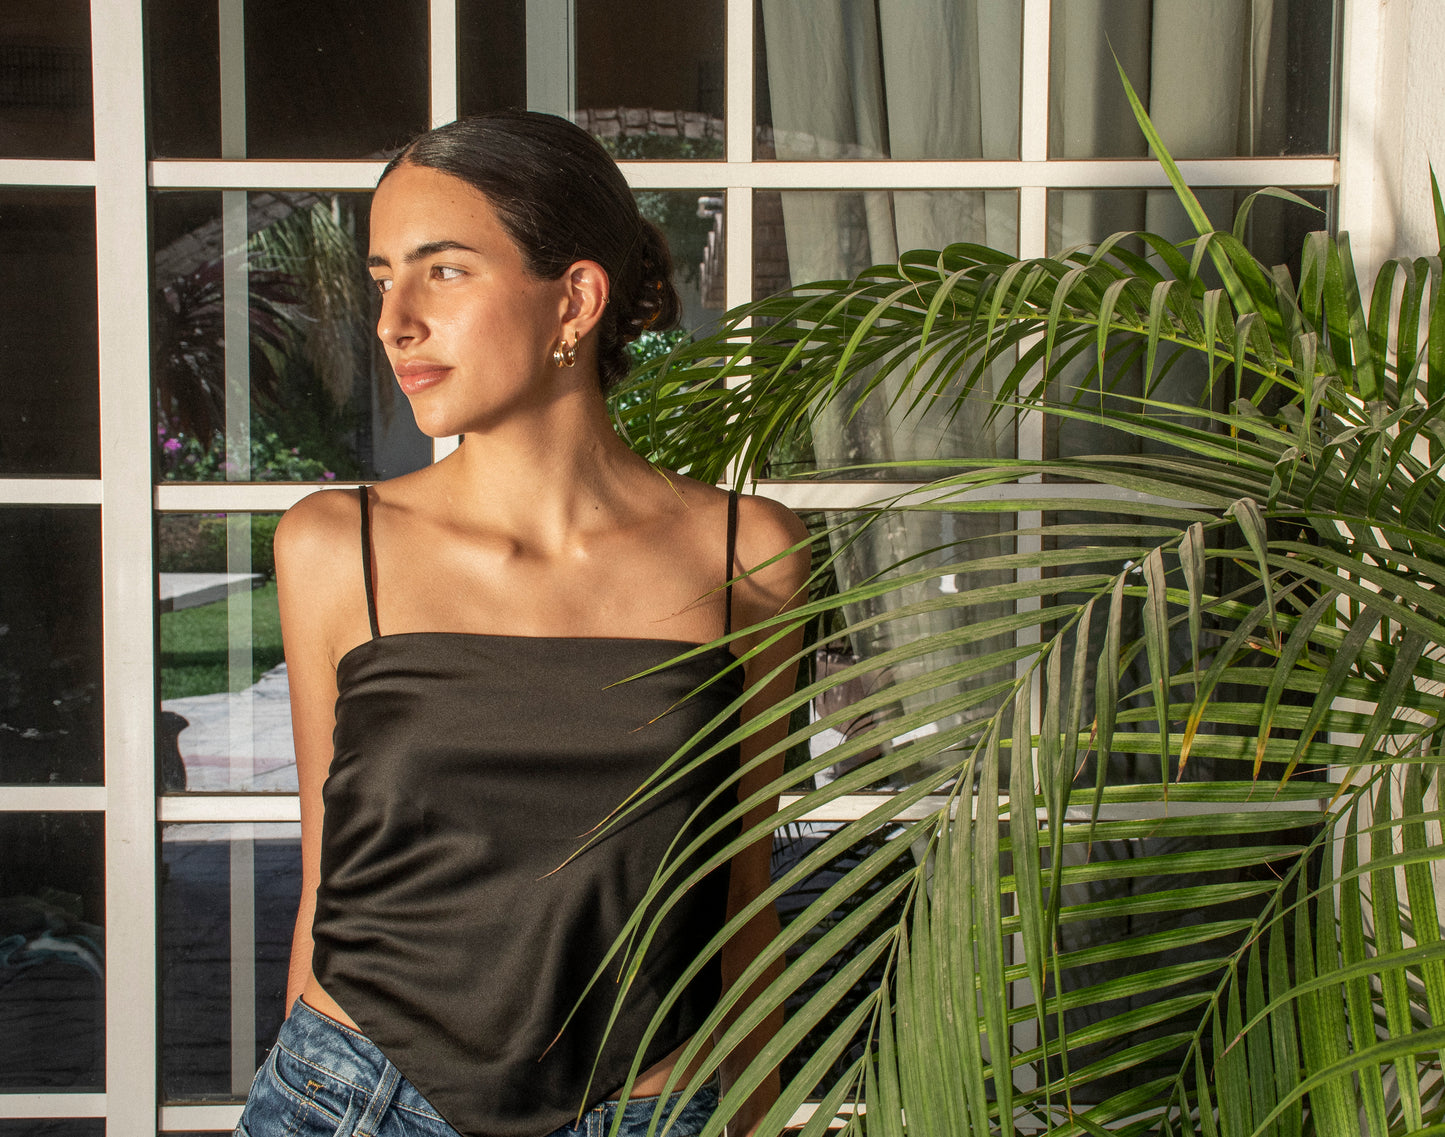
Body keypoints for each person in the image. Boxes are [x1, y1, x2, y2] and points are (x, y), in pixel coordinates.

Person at [234, 110, 809, 1137]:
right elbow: (328, 884)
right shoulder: (333, 546)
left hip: (648, 1109)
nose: (393, 320)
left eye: (441, 271)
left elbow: (740, 899)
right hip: (353, 1096)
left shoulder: (746, 555)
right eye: (381, 280)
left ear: (574, 301)